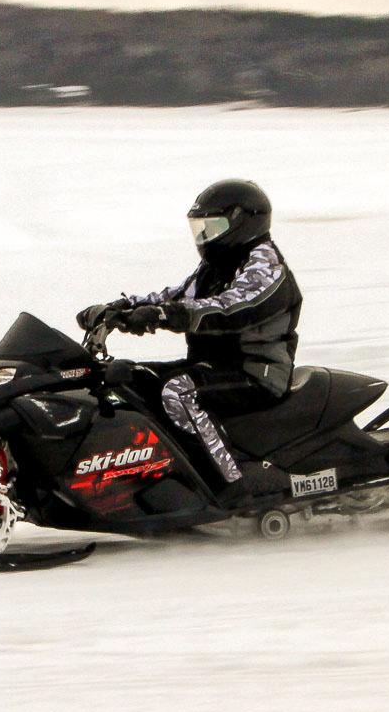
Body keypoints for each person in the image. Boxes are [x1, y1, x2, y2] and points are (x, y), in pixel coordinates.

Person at [77, 179, 302, 506]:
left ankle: (228, 487)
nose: (204, 238)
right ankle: (152, 477)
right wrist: (121, 309)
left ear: (242, 221)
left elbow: (231, 308)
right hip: (215, 367)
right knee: (136, 379)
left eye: (211, 228)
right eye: (200, 229)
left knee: (178, 392)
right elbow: (174, 297)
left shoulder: (264, 265)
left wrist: (166, 315)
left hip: (256, 374)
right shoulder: (214, 268)